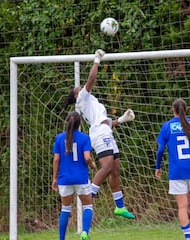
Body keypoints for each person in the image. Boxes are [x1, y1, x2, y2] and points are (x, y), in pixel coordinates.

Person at [63, 49, 136, 219]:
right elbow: (91, 79)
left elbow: (106, 121)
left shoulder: (92, 102)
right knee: (107, 166)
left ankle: (119, 207)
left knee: (115, 170)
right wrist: (97, 59)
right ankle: (90, 194)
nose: (79, 87)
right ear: (76, 95)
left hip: (106, 131)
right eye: (77, 89)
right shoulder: (82, 98)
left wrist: (122, 119)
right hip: (99, 133)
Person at [155, 98, 190, 240]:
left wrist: (158, 167)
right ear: (186, 110)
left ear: (173, 110)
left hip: (177, 171)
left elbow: (160, 150)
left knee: (182, 206)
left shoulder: (167, 126)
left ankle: (188, 237)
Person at [52, 111, 96, 240]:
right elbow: (87, 157)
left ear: (67, 122)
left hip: (64, 179)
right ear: (80, 123)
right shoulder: (84, 138)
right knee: (87, 206)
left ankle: (61, 238)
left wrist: (55, 178)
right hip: (81, 178)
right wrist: (92, 165)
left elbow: (56, 160)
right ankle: (84, 233)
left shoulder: (59, 138)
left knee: (65, 208)